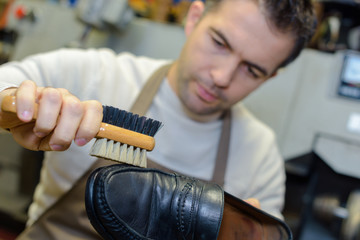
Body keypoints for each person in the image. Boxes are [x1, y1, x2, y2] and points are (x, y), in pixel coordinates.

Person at [0, 0, 316, 237]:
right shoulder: (97, 75)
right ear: (194, 19)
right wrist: (16, 107)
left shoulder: (261, 156)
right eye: (220, 43)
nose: (222, 76)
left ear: (270, 77)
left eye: (253, 70)